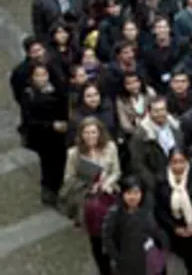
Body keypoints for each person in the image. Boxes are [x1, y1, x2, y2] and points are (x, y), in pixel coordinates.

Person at [59, 117, 121, 275]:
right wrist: (88, 186)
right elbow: (69, 178)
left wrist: (107, 182)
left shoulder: (110, 147)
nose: (90, 136)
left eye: (93, 132)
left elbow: (116, 171)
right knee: (97, 239)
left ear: (100, 132)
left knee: (117, 232)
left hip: (109, 194)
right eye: (86, 132)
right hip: (89, 199)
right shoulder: (73, 153)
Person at [21, 63, 69, 205]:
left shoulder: (56, 89)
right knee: (48, 165)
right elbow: (29, 119)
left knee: (62, 161)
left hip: (60, 134)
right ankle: (49, 190)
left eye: (44, 74)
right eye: (38, 75)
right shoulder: (29, 94)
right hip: (43, 136)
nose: (42, 78)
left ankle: (61, 188)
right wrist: (51, 125)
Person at [102, 176, 170, 275]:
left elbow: (155, 230)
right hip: (126, 261)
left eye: (136, 193)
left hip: (147, 257)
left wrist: (164, 247)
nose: (132, 197)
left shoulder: (146, 210)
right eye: (129, 193)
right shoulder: (114, 213)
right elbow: (107, 238)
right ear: (123, 194)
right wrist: (117, 258)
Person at [131, 96, 184, 195]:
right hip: (158, 181)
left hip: (179, 176)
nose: (160, 114)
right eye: (156, 111)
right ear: (149, 112)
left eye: (162, 110)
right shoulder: (141, 135)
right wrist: (153, 183)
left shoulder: (175, 127)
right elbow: (138, 164)